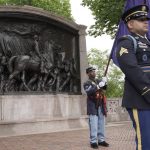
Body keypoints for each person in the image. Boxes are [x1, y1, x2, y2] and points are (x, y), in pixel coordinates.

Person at [116, 5, 150, 150]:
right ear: (130, 24)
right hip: (140, 99)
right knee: (146, 142)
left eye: (146, 19)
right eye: (141, 19)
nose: (146, 21)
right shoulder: (127, 42)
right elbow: (131, 69)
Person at [83, 66, 109, 149]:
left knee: (101, 123)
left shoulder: (98, 81)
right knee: (93, 124)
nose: (93, 73)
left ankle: (101, 140)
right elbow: (89, 91)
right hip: (92, 105)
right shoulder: (87, 83)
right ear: (87, 73)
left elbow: (105, 88)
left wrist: (105, 82)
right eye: (91, 71)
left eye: (94, 71)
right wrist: (98, 86)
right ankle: (93, 141)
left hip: (100, 104)